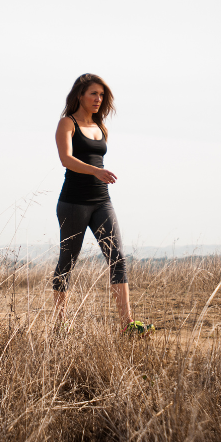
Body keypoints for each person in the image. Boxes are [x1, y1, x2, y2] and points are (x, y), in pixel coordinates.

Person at [53, 73, 153, 335]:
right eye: (93, 94)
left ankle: (127, 324)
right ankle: (59, 325)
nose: (98, 99)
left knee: (117, 258)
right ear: (80, 95)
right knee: (68, 260)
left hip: (102, 201)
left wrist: (99, 175)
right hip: (73, 202)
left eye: (101, 95)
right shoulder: (67, 123)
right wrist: (96, 172)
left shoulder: (99, 126)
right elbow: (66, 159)